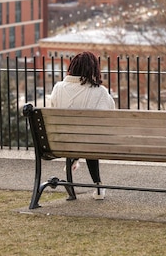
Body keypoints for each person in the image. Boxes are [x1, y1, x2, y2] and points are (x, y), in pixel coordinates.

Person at [49, 51, 116, 200]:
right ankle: (98, 186)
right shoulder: (100, 92)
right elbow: (110, 114)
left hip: (63, 142)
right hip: (90, 142)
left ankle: (74, 156)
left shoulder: (58, 88)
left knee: (81, 135)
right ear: (93, 70)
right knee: (90, 136)